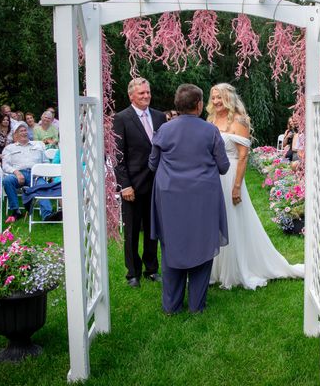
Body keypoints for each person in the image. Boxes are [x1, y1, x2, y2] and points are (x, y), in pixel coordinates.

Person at [207, 83, 304, 289]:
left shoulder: (239, 121)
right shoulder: (211, 120)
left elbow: (243, 156)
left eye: (219, 97)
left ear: (229, 98)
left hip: (232, 173)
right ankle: (215, 268)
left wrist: (236, 186)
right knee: (214, 219)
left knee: (232, 219)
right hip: (212, 176)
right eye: (213, 97)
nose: (215, 101)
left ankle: (237, 268)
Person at [149, 84, 230, 314]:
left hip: (169, 197)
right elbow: (223, 166)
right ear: (198, 105)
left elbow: (152, 163)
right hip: (202, 197)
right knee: (202, 243)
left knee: (171, 244)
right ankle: (196, 305)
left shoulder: (164, 130)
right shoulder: (210, 130)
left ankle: (171, 306)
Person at [113, 77, 166, 288]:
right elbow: (118, 155)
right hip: (132, 185)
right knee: (132, 230)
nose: (146, 96)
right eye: (142, 93)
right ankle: (132, 272)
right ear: (131, 95)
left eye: (148, 92)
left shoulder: (160, 116)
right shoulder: (121, 118)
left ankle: (151, 269)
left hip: (157, 183)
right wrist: (124, 185)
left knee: (154, 228)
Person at [1, 122, 56, 222]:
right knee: (7, 180)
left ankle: (47, 215)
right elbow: (5, 165)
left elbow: (46, 162)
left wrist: (41, 172)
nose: (24, 132)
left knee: (42, 185)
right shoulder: (9, 148)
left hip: (35, 175)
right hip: (18, 174)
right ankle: (16, 211)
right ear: (15, 135)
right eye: (20, 131)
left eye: (25, 130)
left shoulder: (39, 145)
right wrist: (16, 172)